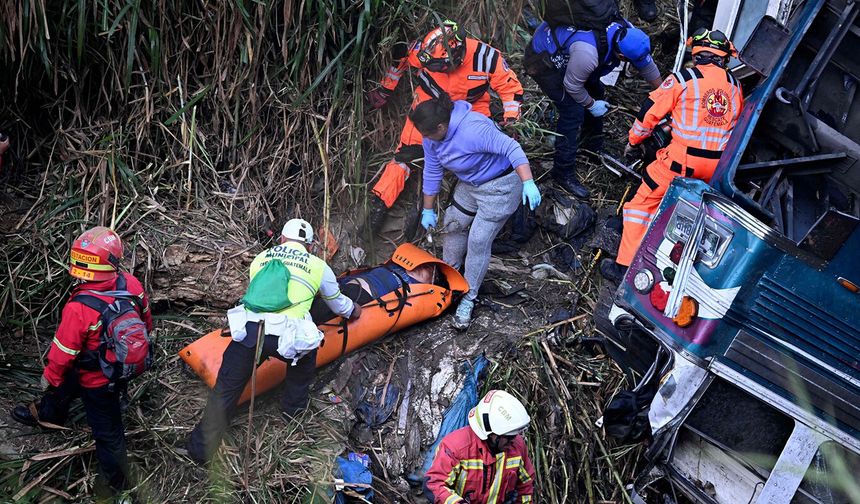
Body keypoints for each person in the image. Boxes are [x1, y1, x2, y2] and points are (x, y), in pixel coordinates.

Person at [186, 219, 362, 464]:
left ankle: (199, 452)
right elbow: (337, 303)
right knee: (303, 367)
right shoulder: (318, 266)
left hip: (251, 330)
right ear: (310, 246)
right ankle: (292, 419)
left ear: (281, 239)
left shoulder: (261, 259)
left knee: (224, 390)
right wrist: (354, 310)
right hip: (290, 338)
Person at [10, 226, 153, 495]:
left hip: (97, 381)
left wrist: (50, 377)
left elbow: (63, 353)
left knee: (108, 434)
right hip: (118, 367)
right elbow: (147, 323)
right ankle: (49, 412)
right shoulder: (131, 284)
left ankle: (117, 485)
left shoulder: (79, 307)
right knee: (67, 384)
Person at [603, 28, 743, 281]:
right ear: (723, 57)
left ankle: (624, 269)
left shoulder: (683, 78)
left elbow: (649, 113)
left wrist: (634, 141)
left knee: (640, 206)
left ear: (696, 53)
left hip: (681, 163)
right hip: (717, 170)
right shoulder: (735, 87)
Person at [364, 20, 524, 236]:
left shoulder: (486, 58)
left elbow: (509, 87)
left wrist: (512, 117)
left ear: (455, 56)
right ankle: (379, 205)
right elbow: (400, 57)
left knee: (480, 155)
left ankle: (475, 202)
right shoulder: (425, 51)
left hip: (472, 109)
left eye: (439, 67)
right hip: (429, 107)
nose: (433, 69)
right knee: (405, 156)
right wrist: (385, 89)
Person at [415, 95, 542, 330]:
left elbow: (511, 147)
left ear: (441, 127)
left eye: (427, 134)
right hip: (471, 184)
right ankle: (448, 274)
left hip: (500, 186)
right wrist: (428, 209)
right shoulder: (432, 139)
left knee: (478, 240)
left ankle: (468, 297)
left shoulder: (472, 130)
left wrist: (528, 182)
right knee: (453, 225)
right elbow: (432, 170)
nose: (425, 139)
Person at [525, 18, 663, 199]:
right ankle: (562, 172)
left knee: (596, 90)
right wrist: (591, 105)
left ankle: (592, 145)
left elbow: (646, 66)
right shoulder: (587, 55)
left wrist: (664, 95)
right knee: (572, 111)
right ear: (621, 57)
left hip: (574, 56)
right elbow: (572, 86)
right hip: (543, 59)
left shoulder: (628, 30)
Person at [425, 390, 536, 503]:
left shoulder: (517, 446)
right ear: (491, 433)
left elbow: (525, 486)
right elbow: (435, 484)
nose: (513, 441)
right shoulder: (455, 447)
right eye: (508, 437)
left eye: (514, 436)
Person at [309, 263, 436, 324]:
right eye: (426, 266)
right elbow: (365, 273)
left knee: (318, 319)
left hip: (363, 299)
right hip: (347, 289)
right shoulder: (394, 266)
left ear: (431, 282)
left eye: (430, 272)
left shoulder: (417, 289)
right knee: (310, 313)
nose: (426, 269)